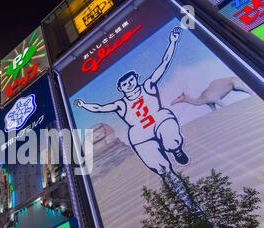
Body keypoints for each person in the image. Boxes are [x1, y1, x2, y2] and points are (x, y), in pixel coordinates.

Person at [75, 27, 199, 212]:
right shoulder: (121, 104)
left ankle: (177, 149)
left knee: (171, 137)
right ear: (121, 89)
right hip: (140, 134)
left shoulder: (148, 86)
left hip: (159, 119)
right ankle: (189, 205)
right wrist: (84, 104)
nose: (128, 85)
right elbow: (100, 108)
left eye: (130, 81)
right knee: (164, 170)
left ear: (136, 79)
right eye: (124, 84)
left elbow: (163, 64)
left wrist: (172, 41)